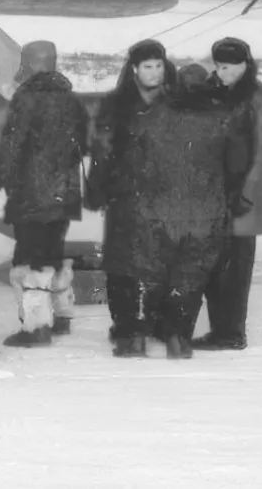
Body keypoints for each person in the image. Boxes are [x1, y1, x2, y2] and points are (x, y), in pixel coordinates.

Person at [104, 63, 242, 359]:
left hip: (159, 210)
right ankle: (178, 338)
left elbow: (134, 162)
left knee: (149, 274)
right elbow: (235, 167)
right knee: (188, 279)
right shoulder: (222, 121)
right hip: (204, 214)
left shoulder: (154, 118)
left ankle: (137, 338)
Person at [0, 40, 91, 347]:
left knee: (28, 260)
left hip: (31, 194)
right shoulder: (71, 99)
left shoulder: (25, 99)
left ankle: (36, 328)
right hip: (64, 195)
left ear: (29, 64)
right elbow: (84, 141)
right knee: (53, 254)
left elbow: (10, 148)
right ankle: (62, 316)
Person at [85, 39, 177, 357]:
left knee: (163, 261)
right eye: (148, 66)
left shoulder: (177, 101)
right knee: (122, 263)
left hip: (166, 194)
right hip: (125, 193)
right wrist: (97, 188)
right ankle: (126, 328)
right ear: (135, 69)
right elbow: (101, 149)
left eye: (159, 66)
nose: (154, 72)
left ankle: (159, 322)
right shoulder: (117, 103)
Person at [193, 37, 262, 352]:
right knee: (215, 268)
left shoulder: (258, 100)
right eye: (218, 66)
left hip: (244, 200)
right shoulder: (216, 94)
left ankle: (231, 332)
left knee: (235, 269)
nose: (222, 72)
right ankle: (222, 329)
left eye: (228, 67)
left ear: (245, 65)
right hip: (215, 197)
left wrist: (246, 192)